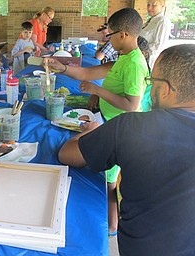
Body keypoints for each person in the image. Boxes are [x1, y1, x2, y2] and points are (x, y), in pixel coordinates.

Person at [58, 44, 195, 255]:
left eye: (151, 82)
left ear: (165, 90)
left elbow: (68, 154)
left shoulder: (132, 127)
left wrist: (92, 131)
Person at [47, 8, 149, 236]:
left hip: (119, 129)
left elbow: (132, 104)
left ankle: (112, 227)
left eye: (110, 34)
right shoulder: (123, 59)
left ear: (123, 34)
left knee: (110, 182)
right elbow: (87, 73)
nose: (107, 39)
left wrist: (98, 90)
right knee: (107, 178)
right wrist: (63, 68)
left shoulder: (134, 63)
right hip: (109, 122)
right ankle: (111, 223)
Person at [140, 0, 171, 69]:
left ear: (162, 6)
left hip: (149, 61)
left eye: (154, 5)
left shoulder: (162, 22)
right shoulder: (150, 21)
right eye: (148, 5)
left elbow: (159, 46)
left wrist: (142, 50)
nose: (149, 8)